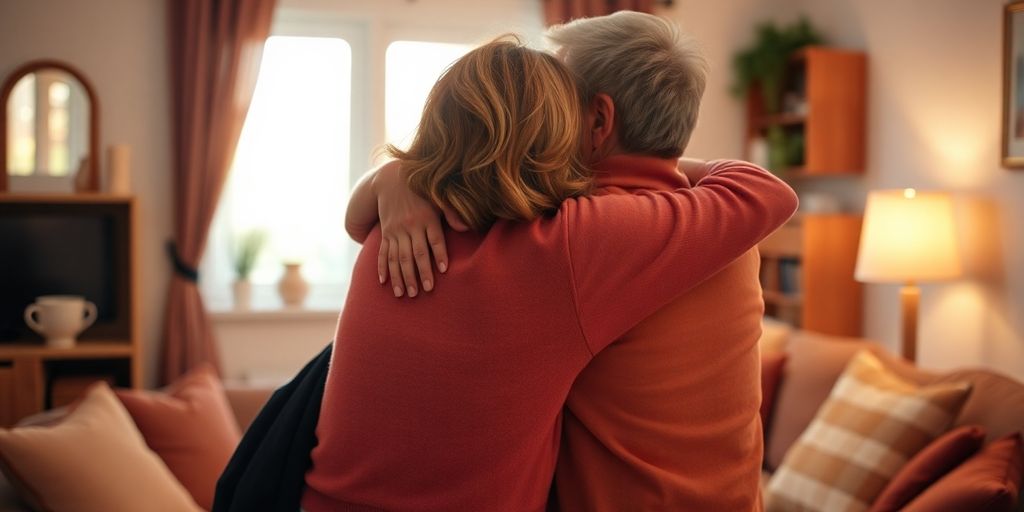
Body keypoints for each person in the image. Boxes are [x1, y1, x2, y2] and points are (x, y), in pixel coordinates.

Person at [303, 35, 797, 512]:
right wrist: (661, 157)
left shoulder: (384, 234)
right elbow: (767, 191)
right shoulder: (708, 236)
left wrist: (397, 175)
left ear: (599, 120)